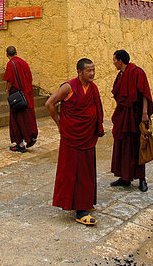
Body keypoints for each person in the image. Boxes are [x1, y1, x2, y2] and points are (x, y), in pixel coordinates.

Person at [45, 58, 104, 226]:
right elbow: (49, 103)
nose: (92, 74)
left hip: (87, 136)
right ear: (80, 72)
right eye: (89, 71)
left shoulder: (92, 88)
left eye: (93, 70)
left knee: (87, 170)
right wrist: (59, 123)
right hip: (72, 136)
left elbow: (97, 108)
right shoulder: (68, 88)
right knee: (74, 172)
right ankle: (80, 210)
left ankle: (86, 202)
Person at [110, 49, 153, 192]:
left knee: (137, 146)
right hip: (123, 115)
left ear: (120, 61)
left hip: (136, 115)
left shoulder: (137, 72)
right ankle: (125, 177)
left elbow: (145, 93)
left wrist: (145, 113)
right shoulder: (121, 75)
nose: (114, 63)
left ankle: (142, 178)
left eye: (114, 60)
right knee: (123, 145)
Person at [3, 46, 38, 153]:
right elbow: (30, 78)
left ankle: (20, 144)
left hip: (17, 96)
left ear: (7, 55)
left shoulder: (10, 64)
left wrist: (7, 91)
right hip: (26, 94)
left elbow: (9, 81)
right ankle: (31, 137)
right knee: (27, 117)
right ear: (16, 53)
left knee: (16, 120)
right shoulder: (24, 63)